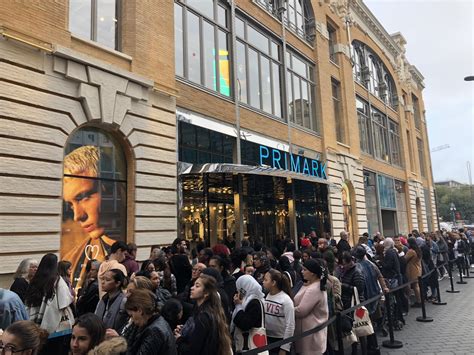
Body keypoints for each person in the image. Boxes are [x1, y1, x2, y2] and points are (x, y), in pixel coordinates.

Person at [62, 146, 120, 287]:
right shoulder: (72, 258)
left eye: (83, 197)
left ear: (112, 189)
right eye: (70, 204)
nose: (77, 216)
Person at [24, 253, 75, 353]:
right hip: (55, 328)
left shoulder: (34, 280)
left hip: (35, 324)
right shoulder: (57, 280)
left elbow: (28, 302)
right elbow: (64, 301)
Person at [176, 275, 232, 355]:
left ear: (206, 293)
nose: (192, 288)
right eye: (194, 285)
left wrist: (179, 339)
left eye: (197, 286)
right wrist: (185, 330)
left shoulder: (203, 317)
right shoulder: (208, 312)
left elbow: (193, 350)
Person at [123, 289, 177, 355]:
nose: (132, 319)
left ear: (140, 311)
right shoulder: (154, 322)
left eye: (131, 315)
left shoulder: (155, 330)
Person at [294, 259, 328, 355]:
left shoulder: (314, 289)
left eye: (305, 270)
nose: (302, 272)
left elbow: (301, 311)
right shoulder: (314, 285)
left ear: (312, 273)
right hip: (312, 333)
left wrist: (286, 309)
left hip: (310, 335)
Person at [263, 269, 295, 355]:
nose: (263, 282)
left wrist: (284, 348)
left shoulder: (286, 300)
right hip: (266, 338)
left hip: (279, 340)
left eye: (266, 280)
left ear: (273, 283)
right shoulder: (266, 295)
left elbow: (290, 325)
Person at [231, 275, 265, 354]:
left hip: (249, 346)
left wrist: (238, 305)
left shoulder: (254, 302)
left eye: (239, 288)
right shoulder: (246, 300)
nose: (238, 291)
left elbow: (245, 324)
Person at [405, 237, 422, 306]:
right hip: (418, 269)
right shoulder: (418, 250)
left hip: (412, 270)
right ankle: (419, 300)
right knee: (416, 286)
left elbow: (405, 259)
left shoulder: (411, 251)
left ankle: (418, 301)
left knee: (413, 286)